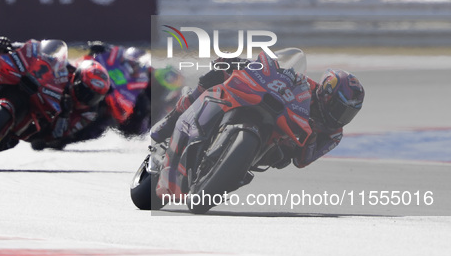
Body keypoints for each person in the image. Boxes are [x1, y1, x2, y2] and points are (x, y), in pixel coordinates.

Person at [151, 52, 365, 196]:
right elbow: (277, 73)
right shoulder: (306, 84)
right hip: (265, 109)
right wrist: (244, 63)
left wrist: (307, 138)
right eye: (340, 108)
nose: (341, 117)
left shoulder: (334, 134)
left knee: (279, 157)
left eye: (348, 113)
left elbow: (303, 161)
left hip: (277, 145)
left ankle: (225, 174)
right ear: (327, 93)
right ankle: (171, 123)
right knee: (216, 78)